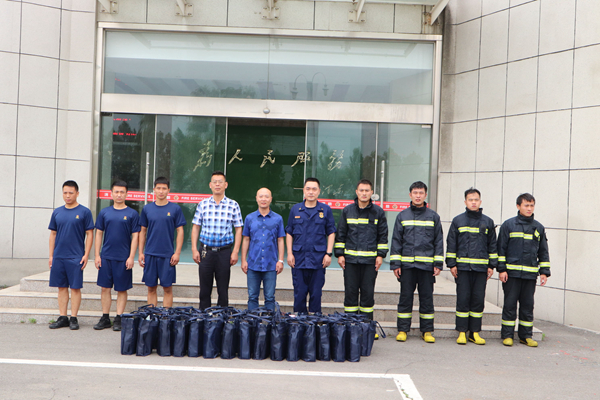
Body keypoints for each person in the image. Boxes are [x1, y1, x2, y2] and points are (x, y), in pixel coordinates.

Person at [390, 181, 443, 343]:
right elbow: (396, 241)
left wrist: (438, 264)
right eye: (415, 193)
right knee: (405, 298)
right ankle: (402, 330)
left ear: (425, 195)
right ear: (410, 195)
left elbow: (438, 241)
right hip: (407, 266)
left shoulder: (433, 216)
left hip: (426, 267)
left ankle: (427, 331)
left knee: (427, 299)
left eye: (421, 193)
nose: (418, 196)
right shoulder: (402, 216)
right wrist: (396, 264)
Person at [498, 193, 550, 347]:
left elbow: (543, 251)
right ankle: (507, 335)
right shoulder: (508, 225)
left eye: (532, 205)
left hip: (530, 275)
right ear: (518, 206)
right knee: (510, 305)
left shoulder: (538, 227)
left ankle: (526, 336)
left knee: (527, 306)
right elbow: (501, 249)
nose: (529, 208)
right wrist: (502, 269)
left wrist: (544, 272)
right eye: (526, 205)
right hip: (511, 274)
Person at [446, 188, 497, 345]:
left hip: (481, 269)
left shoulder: (488, 222)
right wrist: (451, 264)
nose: (473, 202)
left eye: (476, 200)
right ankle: (462, 332)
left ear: (480, 202)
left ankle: (474, 333)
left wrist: (492, 265)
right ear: (465, 202)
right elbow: (451, 243)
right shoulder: (458, 221)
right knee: (463, 299)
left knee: (478, 300)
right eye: (470, 200)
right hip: (462, 269)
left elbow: (492, 245)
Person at [335, 179, 388, 322]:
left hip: (370, 261)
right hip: (350, 261)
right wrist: (340, 254)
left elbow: (382, 236)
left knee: (367, 295)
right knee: (350, 294)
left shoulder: (378, 212)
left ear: (372, 192)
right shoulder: (347, 211)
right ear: (356, 192)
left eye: (367, 190)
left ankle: (366, 326)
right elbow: (341, 233)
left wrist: (380, 255)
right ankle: (350, 326)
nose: (364, 193)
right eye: (361, 190)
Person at [191, 171, 243, 310]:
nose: (217, 184)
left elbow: (239, 229)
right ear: (210, 185)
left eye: (220, 182)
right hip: (205, 252)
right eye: (215, 182)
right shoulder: (203, 204)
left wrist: (235, 252)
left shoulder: (233, 205)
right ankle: (203, 318)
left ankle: (222, 319)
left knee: (223, 290)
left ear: (226, 185)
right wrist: (194, 249)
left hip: (224, 252)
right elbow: (196, 227)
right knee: (204, 290)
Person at [93, 180, 141, 331]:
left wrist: (131, 256)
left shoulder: (132, 214)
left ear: (126, 194)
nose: (119, 195)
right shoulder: (104, 212)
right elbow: (99, 233)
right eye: (116, 192)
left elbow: (136, 236)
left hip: (123, 258)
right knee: (105, 288)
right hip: (106, 256)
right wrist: (97, 255)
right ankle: (105, 317)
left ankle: (119, 317)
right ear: (111, 193)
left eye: (122, 192)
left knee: (121, 289)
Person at [48, 180, 94, 330]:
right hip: (59, 256)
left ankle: (73, 317)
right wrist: (51, 256)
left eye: (71, 193)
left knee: (75, 288)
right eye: (65, 193)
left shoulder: (85, 212)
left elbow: (90, 234)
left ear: (77, 193)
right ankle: (63, 317)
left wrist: (86, 254)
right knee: (61, 287)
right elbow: (53, 234)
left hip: (76, 256)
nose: (68, 196)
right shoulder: (57, 212)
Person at [286, 177, 336, 314]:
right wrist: (289, 253)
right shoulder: (296, 209)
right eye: (308, 189)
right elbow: (289, 232)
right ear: (304, 190)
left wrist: (328, 253)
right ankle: (299, 324)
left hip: (318, 260)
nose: (311, 192)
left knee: (316, 295)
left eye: (314, 189)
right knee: (299, 294)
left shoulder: (325, 210)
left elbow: (331, 232)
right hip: (299, 260)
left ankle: (314, 324)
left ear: (319, 191)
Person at [138, 177, 186, 308]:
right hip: (150, 254)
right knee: (151, 288)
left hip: (167, 255)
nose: (161, 191)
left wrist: (177, 253)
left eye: (164, 188)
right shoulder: (147, 209)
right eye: (158, 188)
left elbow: (180, 231)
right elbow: (142, 231)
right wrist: (141, 252)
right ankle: (152, 315)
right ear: (154, 190)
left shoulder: (175, 209)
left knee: (167, 288)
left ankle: (166, 316)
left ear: (168, 190)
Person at [241, 188, 285, 311]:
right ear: (256, 198)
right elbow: (246, 239)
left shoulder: (278, 219)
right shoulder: (250, 218)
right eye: (261, 196)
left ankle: (269, 322)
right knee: (252, 297)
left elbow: (280, 240)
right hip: (253, 264)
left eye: (266, 196)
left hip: (271, 265)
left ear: (271, 199)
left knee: (270, 297)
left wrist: (280, 260)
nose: (263, 199)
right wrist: (243, 260)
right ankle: (252, 321)